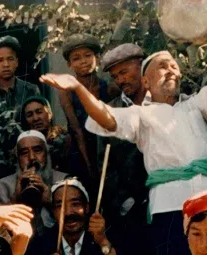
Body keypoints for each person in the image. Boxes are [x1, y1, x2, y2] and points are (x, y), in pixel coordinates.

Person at [41, 5, 207, 255]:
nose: (170, 70)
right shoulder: (141, 115)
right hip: (169, 207)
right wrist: (78, 89)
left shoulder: (196, 105)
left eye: (173, 65)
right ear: (146, 81)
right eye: (162, 66)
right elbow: (108, 118)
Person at [96, 43, 149, 227]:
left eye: (124, 72)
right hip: (132, 209)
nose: (120, 80)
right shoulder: (110, 113)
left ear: (142, 67)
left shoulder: (164, 100)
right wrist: (123, 202)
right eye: (115, 76)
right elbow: (105, 168)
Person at [57, 34, 119, 184]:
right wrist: (90, 166)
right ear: (69, 64)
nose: (83, 61)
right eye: (76, 58)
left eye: (87, 55)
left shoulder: (110, 88)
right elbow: (76, 128)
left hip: (107, 148)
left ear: (96, 58)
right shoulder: (66, 91)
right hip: (80, 149)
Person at [0, 130, 67, 234]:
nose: (31, 157)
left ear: (46, 154)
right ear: (18, 158)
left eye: (37, 150)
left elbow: (72, 220)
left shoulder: (63, 181)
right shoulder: (2, 186)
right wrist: (15, 198)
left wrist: (50, 201)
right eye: (24, 153)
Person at [0, 36, 41, 124]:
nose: (6, 64)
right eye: (0, 60)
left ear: (16, 62)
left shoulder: (31, 90)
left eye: (10, 59)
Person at [19, 96, 71, 175]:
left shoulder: (65, 140)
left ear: (49, 114)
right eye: (30, 115)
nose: (35, 118)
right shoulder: (24, 147)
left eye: (39, 112)